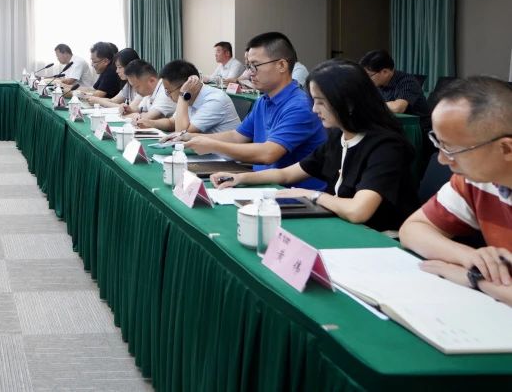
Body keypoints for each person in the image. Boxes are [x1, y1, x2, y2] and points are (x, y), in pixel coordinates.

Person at [211, 60, 418, 230]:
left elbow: (358, 211)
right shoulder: (339, 137)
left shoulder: (386, 147)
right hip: (339, 226)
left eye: (320, 102)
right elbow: (286, 174)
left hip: (379, 237)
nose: (314, 109)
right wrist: (240, 178)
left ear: (348, 103)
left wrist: (312, 195)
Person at [399, 77, 512, 307]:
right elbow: (412, 230)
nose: (442, 159)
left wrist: (473, 278)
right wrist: (469, 257)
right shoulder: (475, 181)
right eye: (439, 144)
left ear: (506, 148)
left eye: (451, 149)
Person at [182, 32, 327, 189]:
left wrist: (212, 145)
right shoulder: (263, 100)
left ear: (281, 65)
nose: (250, 72)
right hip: (261, 183)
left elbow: (268, 153)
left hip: (293, 193)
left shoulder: (300, 106)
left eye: (255, 66)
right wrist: (191, 136)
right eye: (248, 66)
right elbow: (237, 136)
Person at [160, 60, 242, 137]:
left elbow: (181, 134)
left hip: (223, 148)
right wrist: (152, 123)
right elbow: (171, 122)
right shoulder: (189, 98)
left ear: (187, 85)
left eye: (168, 91)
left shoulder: (215, 100)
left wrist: (183, 95)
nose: (168, 95)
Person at [360, 49, 430, 132]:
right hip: (391, 125)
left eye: (369, 75)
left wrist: (371, 105)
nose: (367, 79)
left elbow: (398, 107)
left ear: (385, 72)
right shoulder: (377, 83)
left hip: (416, 129)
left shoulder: (407, 81)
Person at [120, 60, 176, 130]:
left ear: (151, 81)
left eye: (137, 86)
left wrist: (130, 115)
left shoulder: (165, 91)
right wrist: (128, 110)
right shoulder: (149, 91)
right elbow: (140, 110)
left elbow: (146, 118)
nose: (135, 90)